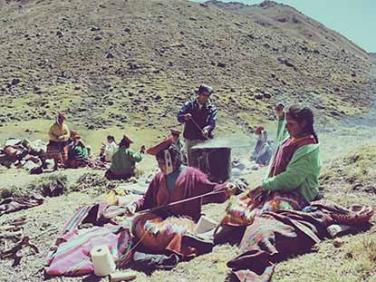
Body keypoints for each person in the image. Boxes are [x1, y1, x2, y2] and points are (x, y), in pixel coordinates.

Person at [123, 136, 236, 261]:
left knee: (172, 231)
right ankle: (171, 244)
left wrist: (226, 188)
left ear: (173, 160)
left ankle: (183, 243)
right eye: (159, 164)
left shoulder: (192, 175)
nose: (161, 167)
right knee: (139, 223)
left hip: (183, 220)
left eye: (163, 163)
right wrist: (134, 205)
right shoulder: (158, 178)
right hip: (160, 218)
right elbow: (147, 200)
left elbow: (212, 189)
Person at [217, 104, 321, 232]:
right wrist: (281, 118)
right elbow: (281, 137)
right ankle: (225, 231)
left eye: (291, 124)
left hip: (296, 193)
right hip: (277, 188)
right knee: (240, 204)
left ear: (303, 123)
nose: (287, 128)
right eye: (287, 124)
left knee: (266, 212)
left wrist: (264, 185)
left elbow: (292, 179)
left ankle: (239, 230)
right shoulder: (291, 138)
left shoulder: (308, 148)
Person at [177, 84, 217, 166]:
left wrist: (207, 129)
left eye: (207, 95)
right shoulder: (189, 105)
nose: (205, 97)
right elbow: (179, 117)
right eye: (203, 95)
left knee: (204, 164)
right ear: (199, 94)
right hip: (191, 139)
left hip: (204, 140)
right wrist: (185, 117)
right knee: (192, 164)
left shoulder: (211, 108)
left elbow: (212, 123)